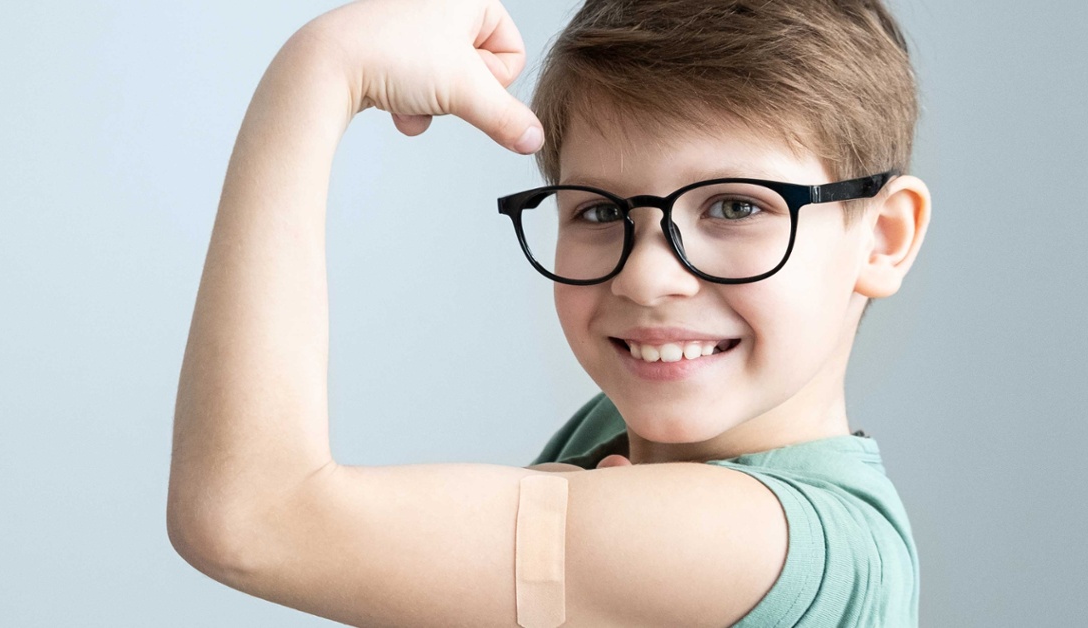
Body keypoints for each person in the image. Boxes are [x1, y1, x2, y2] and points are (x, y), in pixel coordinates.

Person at [168, 0, 930, 625]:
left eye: (735, 206)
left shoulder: (766, 543)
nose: (647, 276)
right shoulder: (623, 431)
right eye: (598, 211)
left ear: (884, 239)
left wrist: (324, 66)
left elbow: (252, 519)